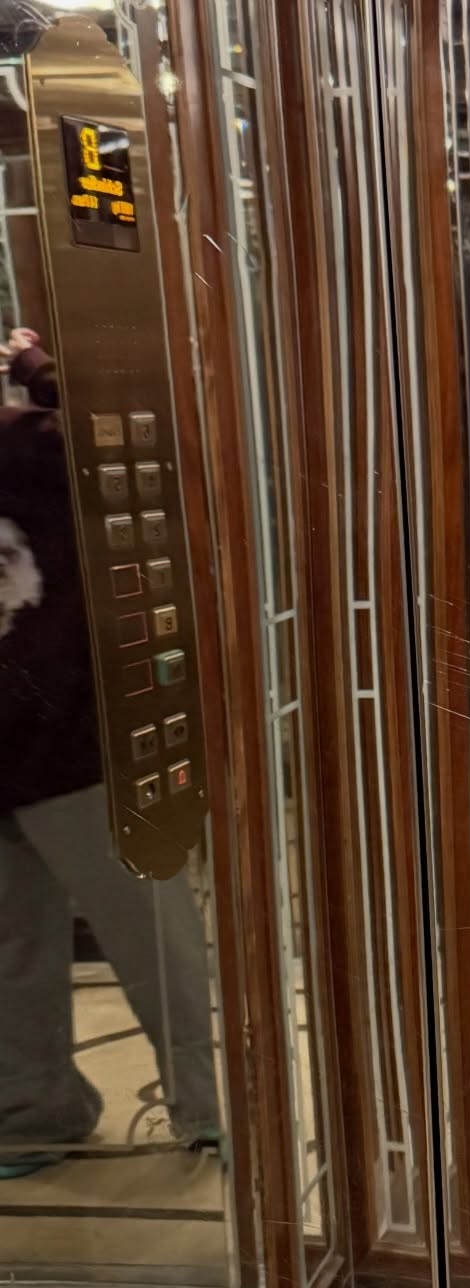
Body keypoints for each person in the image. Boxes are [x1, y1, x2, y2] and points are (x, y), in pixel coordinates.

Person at [0, 329, 220, 1179]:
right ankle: (34, 1114)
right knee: (14, 952)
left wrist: (43, 371)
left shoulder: (28, 447)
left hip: (75, 744)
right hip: (34, 745)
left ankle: (210, 1110)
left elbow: (138, 428)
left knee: (151, 940)